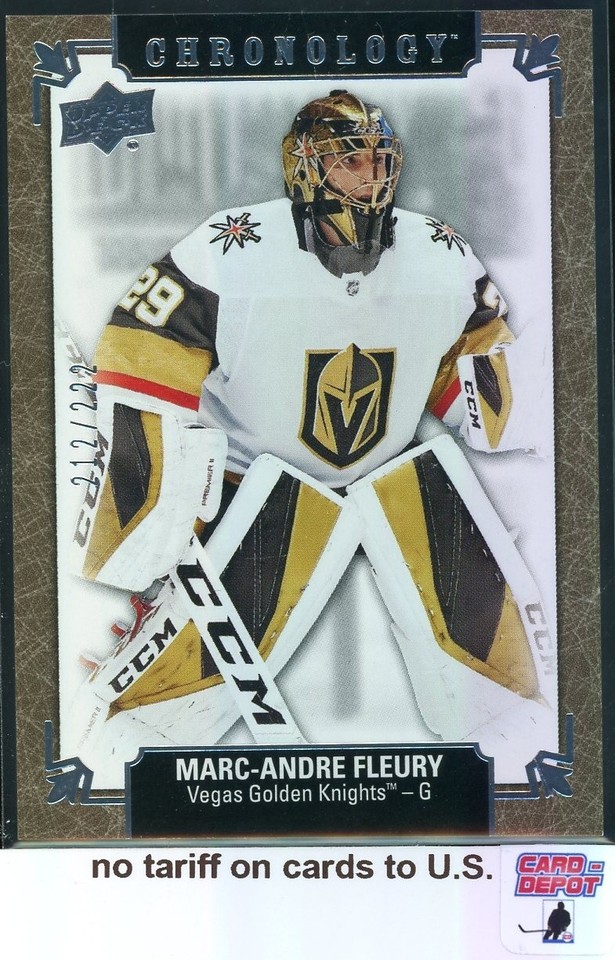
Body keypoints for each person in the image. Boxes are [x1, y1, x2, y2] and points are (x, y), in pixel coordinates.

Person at [73, 91, 554, 779]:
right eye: (350, 160)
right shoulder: (230, 246)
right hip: (250, 495)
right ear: (303, 166)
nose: (370, 177)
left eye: (379, 160)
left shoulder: (441, 253)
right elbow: (138, 355)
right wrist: (158, 503)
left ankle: (512, 777)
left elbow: (485, 396)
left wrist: (550, 402)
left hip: (392, 490)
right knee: (148, 724)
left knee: (509, 704)